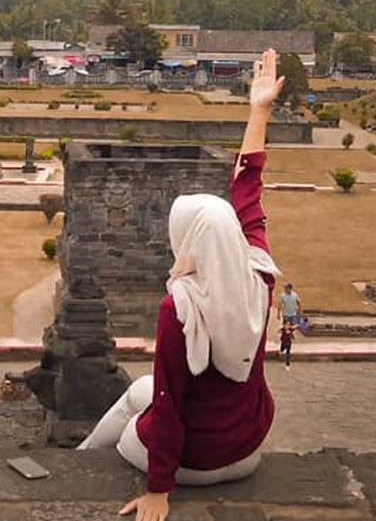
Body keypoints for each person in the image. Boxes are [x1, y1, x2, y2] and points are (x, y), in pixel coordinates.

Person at [79, 48, 285, 521]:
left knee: (140, 402)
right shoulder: (259, 275)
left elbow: (170, 403)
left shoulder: (181, 310)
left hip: (193, 464)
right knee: (146, 389)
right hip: (248, 447)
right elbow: (248, 189)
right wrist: (259, 111)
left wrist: (158, 491)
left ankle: (76, 462)